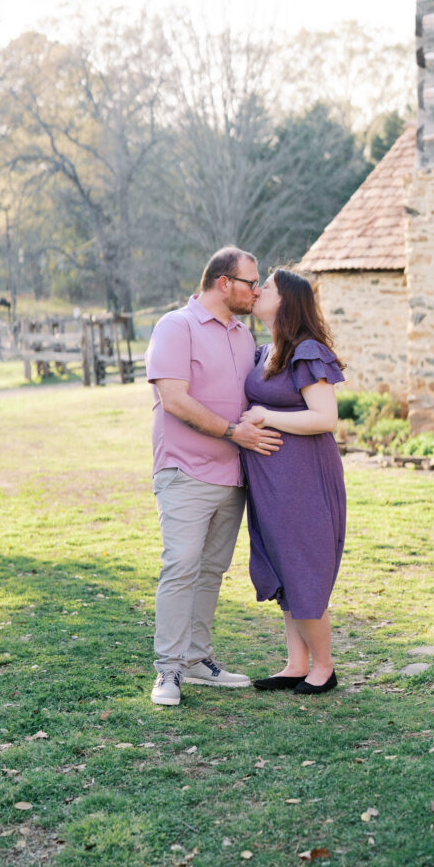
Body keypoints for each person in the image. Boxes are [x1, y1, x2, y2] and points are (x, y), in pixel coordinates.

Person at [145, 246, 283, 707]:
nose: (257, 290)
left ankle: (197, 660)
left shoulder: (244, 336)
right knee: (181, 566)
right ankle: (167, 669)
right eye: (251, 282)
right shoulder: (175, 327)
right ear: (224, 283)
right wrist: (231, 431)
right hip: (184, 471)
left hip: (233, 475)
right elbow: (175, 400)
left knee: (210, 571)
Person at [240, 268, 346, 695]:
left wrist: (266, 417)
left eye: (266, 286)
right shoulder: (265, 350)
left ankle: (324, 666)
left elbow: (325, 417)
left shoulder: (306, 351)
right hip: (270, 483)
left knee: (302, 566)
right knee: (283, 565)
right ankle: (295, 663)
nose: (258, 290)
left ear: (285, 301)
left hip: (302, 480)